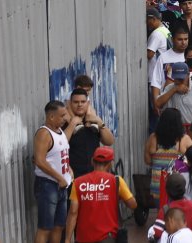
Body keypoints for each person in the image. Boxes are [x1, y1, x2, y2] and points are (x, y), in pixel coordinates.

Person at [65, 146, 138, 243]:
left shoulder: (78, 182)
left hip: (83, 238)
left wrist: (67, 239)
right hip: (107, 238)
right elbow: (133, 205)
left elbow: (73, 212)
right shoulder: (116, 181)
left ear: (92, 161)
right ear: (110, 164)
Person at [33, 100, 72, 243]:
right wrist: (59, 177)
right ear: (51, 117)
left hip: (62, 185)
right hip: (48, 185)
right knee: (45, 227)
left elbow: (60, 155)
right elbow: (39, 160)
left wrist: (68, 170)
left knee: (59, 226)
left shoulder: (60, 131)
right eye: (62, 116)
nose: (65, 119)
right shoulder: (44, 133)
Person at [146, 108, 192, 209]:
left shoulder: (153, 138)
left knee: (162, 213)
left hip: (158, 188)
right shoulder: (184, 140)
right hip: (179, 187)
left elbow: (148, 161)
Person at [66, 87, 115, 179]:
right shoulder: (64, 122)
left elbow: (109, 141)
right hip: (73, 175)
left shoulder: (94, 121)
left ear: (88, 103)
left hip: (94, 174)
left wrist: (100, 122)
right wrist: (72, 124)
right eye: (76, 102)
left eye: (83, 102)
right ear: (70, 103)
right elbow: (60, 144)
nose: (79, 105)